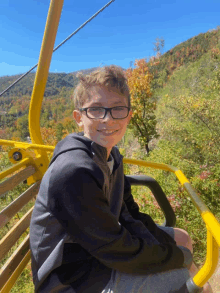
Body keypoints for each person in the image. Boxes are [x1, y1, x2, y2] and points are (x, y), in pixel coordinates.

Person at [30, 65, 212, 293]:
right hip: (72, 277)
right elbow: (112, 247)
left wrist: (163, 247)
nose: (108, 119)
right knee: (192, 279)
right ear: (79, 117)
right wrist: (172, 257)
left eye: (117, 109)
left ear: (128, 116)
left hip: (98, 253)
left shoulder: (110, 155)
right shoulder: (73, 172)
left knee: (182, 240)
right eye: (96, 110)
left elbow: (128, 213)